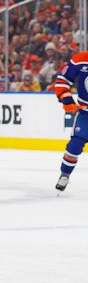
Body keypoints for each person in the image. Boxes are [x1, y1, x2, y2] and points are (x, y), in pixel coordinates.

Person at [53, 50, 88, 192]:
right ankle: (65, 174)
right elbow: (63, 80)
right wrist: (67, 99)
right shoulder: (81, 59)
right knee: (75, 145)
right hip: (86, 114)